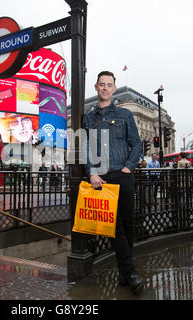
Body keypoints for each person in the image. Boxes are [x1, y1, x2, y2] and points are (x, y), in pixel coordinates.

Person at [83, 71, 143, 294]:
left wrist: (129, 166)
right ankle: (131, 272)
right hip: (102, 178)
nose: (105, 88)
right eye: (102, 84)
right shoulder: (88, 118)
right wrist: (91, 172)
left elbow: (136, 144)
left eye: (109, 85)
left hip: (123, 174)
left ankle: (123, 271)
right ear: (96, 87)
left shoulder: (125, 115)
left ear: (114, 88)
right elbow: (85, 147)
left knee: (127, 225)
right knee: (115, 227)